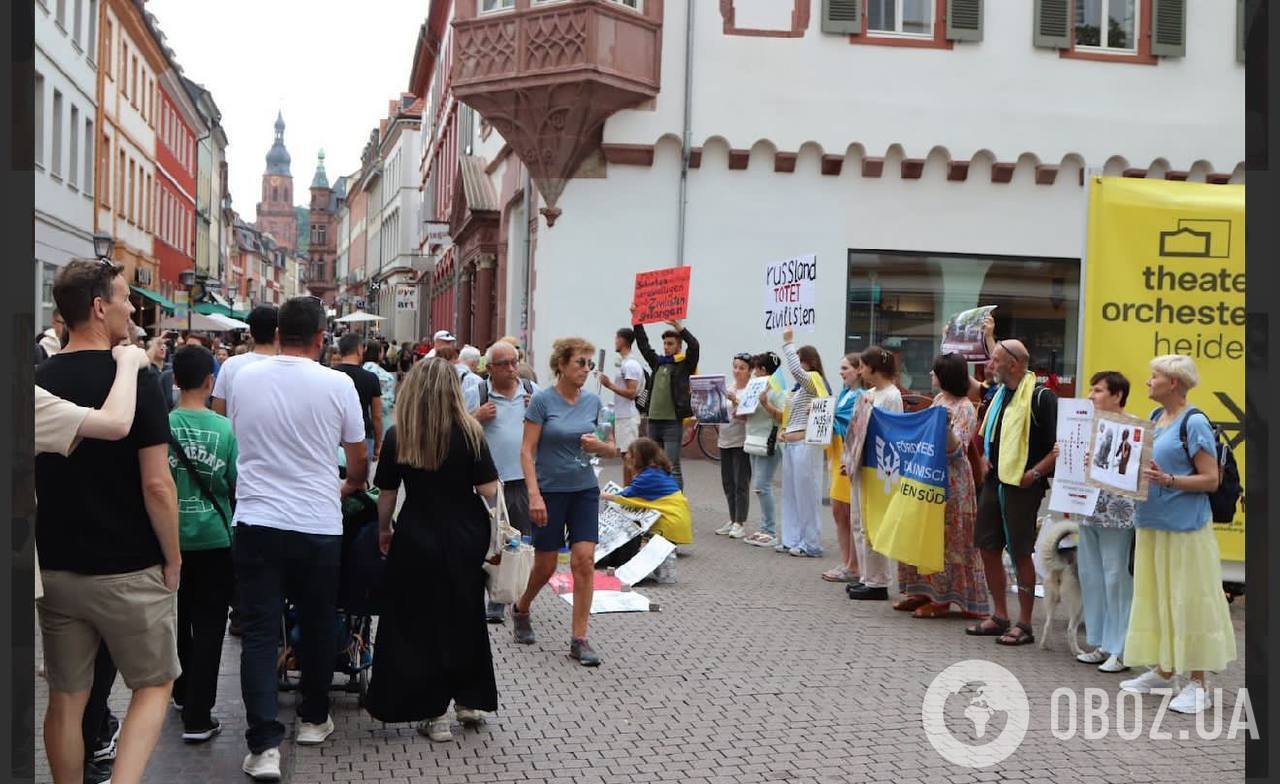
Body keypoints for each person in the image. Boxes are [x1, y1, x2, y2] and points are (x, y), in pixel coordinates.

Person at [36, 259, 180, 784]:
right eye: (123, 299)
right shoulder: (139, 380)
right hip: (128, 566)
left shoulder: (38, 379)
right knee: (154, 684)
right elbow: (157, 485)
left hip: (57, 565)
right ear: (99, 308)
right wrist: (173, 557)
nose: (131, 307)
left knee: (66, 698)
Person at [227, 296, 368, 780]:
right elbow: (357, 461)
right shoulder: (338, 384)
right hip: (317, 523)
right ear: (320, 338)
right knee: (319, 619)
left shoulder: (243, 377)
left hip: (257, 520)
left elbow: (236, 440)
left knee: (262, 634)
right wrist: (346, 485)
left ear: (277, 332)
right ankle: (312, 718)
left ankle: (264, 745)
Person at [364, 358, 501, 740]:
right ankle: (468, 698)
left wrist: (384, 529)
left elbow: (387, 493)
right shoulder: (471, 432)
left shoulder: (399, 435)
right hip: (464, 534)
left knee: (420, 623)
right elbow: (489, 490)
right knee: (463, 615)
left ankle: (433, 712)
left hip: (417, 534)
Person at [1120, 355, 1237, 714]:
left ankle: (1198, 683)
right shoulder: (1157, 418)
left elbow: (1211, 479)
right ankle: (1165, 670)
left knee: (1190, 599)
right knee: (1159, 598)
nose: (1147, 381)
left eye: (1154, 376)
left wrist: (1169, 481)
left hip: (1185, 528)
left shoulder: (1195, 421)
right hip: (1153, 522)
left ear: (1173, 383)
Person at [512, 337, 618, 667]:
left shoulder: (595, 403)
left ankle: (579, 639)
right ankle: (522, 607)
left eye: (589, 364)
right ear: (561, 365)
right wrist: (533, 495)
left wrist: (598, 447)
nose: (586, 370)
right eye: (580, 363)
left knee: (584, 560)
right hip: (549, 491)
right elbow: (527, 451)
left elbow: (612, 447)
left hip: (584, 489)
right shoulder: (542, 401)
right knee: (544, 566)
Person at [167, 346, 238, 744]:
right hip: (214, 538)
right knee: (210, 627)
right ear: (210, 382)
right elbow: (234, 483)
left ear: (175, 380)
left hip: (170, 540)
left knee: (177, 620)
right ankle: (199, 715)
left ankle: (180, 691)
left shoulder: (162, 425)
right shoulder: (224, 430)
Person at [965, 339, 1058, 645]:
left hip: (1023, 486)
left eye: (995, 360)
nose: (990, 365)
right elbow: (990, 435)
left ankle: (1025, 623)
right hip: (995, 481)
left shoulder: (1042, 398)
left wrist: (1034, 473)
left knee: (1020, 552)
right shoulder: (1000, 395)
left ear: (1014, 364)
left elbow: (1059, 448)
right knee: (988, 548)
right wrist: (987, 456)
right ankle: (1000, 615)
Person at [895, 353, 988, 618]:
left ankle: (943, 598)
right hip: (929, 478)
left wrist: (944, 427)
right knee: (925, 533)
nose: (930, 375)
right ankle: (922, 590)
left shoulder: (965, 408)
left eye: (935, 372)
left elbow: (956, 449)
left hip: (952, 482)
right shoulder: (938, 400)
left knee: (948, 539)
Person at [1071, 371, 1137, 674]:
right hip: (1088, 508)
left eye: (1097, 390)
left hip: (1118, 514)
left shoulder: (1133, 427)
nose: (1091, 395)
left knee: (1115, 578)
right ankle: (1101, 642)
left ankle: (1120, 648)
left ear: (1117, 395)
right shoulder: (1085, 425)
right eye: (1092, 389)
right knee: (1092, 575)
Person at [474, 340, 539, 623]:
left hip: (523, 480)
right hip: (489, 482)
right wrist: (476, 416)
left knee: (518, 544)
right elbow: (456, 426)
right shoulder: (476, 392)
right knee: (492, 543)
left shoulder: (532, 392)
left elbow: (551, 423)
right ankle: (495, 598)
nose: (513, 369)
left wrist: (537, 410)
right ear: (490, 368)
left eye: (515, 362)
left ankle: (517, 597)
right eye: (505, 364)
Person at [842, 346, 905, 599]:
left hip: (879, 465)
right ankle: (867, 576)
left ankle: (878, 581)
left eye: (863, 366)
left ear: (874, 368)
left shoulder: (891, 395)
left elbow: (892, 430)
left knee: (873, 522)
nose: (860, 370)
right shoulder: (868, 393)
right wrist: (849, 456)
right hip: (862, 461)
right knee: (859, 521)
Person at [631, 307, 699, 489]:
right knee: (653, 465)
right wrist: (637, 319)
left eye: (670, 344)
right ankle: (659, 500)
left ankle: (677, 503)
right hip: (653, 422)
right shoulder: (658, 363)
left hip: (671, 423)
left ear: (678, 346)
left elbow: (695, 346)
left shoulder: (684, 364)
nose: (667, 347)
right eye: (665, 344)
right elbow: (643, 345)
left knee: (672, 466)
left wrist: (679, 328)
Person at [777, 328, 829, 558]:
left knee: (806, 494)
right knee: (790, 494)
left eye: (799, 359)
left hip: (805, 444)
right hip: (791, 444)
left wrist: (788, 344)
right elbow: (789, 413)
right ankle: (791, 538)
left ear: (807, 361)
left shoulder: (813, 381)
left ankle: (810, 542)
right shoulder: (798, 389)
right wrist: (783, 430)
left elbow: (797, 371)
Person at [818, 353, 865, 582]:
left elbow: (844, 420)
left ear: (858, 370)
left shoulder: (861, 395)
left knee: (848, 512)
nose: (841, 372)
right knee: (838, 511)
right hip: (837, 454)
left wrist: (822, 414)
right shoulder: (845, 393)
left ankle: (854, 565)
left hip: (848, 455)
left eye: (845, 368)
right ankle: (846, 561)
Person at [602, 437, 693, 547]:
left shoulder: (647, 477)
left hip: (669, 524)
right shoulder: (657, 471)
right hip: (676, 521)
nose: (627, 456)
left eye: (631, 453)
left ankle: (649, 538)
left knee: (623, 507)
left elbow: (624, 497)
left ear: (639, 458)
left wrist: (600, 494)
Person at [742, 353, 787, 548]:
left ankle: (769, 531)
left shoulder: (775, 389)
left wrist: (765, 403)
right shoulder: (755, 387)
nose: (752, 373)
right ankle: (763, 528)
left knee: (762, 485)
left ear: (762, 370)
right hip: (753, 439)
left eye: (755, 369)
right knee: (759, 487)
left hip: (769, 441)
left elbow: (782, 416)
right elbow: (745, 414)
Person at [211, 305, 279, 417]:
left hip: (233, 433)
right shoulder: (287, 368)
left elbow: (218, 411)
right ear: (278, 333)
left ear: (251, 332)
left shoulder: (230, 365)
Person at [715, 353, 754, 539]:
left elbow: (749, 415)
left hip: (741, 442)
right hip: (724, 440)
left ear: (750, 371)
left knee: (741, 483)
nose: (737, 371)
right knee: (728, 482)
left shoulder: (750, 390)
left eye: (742, 368)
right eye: (735, 367)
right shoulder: (728, 388)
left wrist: (735, 401)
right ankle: (732, 518)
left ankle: (740, 522)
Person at [332, 332, 384, 463]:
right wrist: (378, 444)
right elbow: (377, 416)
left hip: (334, 435)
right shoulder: (371, 378)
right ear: (359, 350)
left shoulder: (329, 374)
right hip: (363, 435)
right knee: (359, 480)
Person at [598, 327, 645, 452]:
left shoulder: (630, 365)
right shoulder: (624, 363)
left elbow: (631, 393)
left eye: (617, 338)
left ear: (623, 340)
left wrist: (609, 385)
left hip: (628, 417)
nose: (615, 341)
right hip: (622, 415)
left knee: (629, 456)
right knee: (626, 456)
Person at [363, 340, 398, 436]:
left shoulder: (359, 371)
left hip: (360, 422)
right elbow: (386, 405)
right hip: (381, 421)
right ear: (379, 353)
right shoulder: (386, 376)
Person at [146, 337, 176, 411]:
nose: (162, 349)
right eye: (159, 346)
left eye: (164, 346)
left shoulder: (171, 369)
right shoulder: (147, 369)